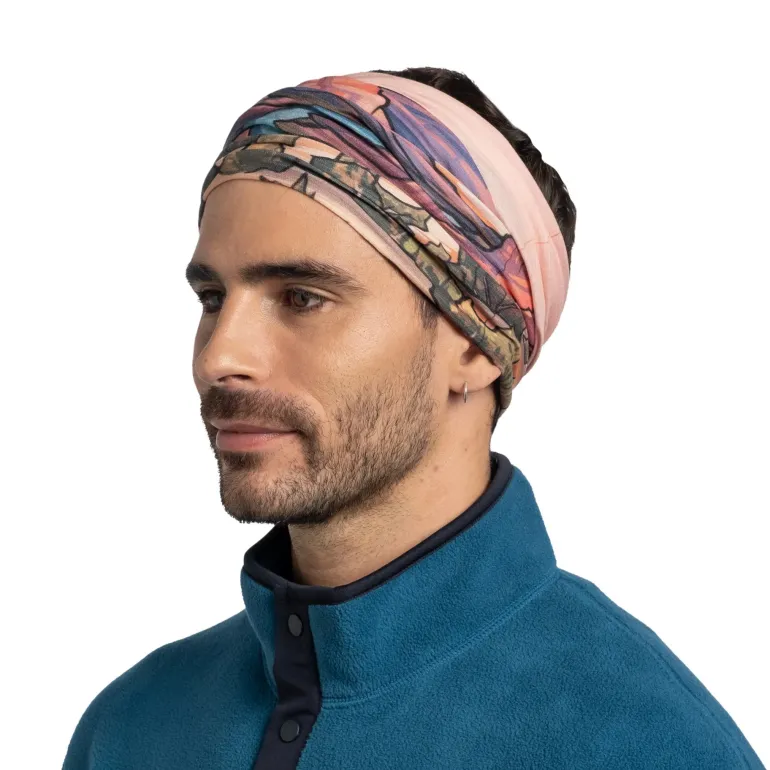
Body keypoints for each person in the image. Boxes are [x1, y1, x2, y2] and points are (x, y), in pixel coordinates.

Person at [62, 67, 765, 769]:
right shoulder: (132, 726)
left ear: (474, 345)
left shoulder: (646, 742)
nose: (220, 356)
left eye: (302, 297)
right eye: (213, 299)